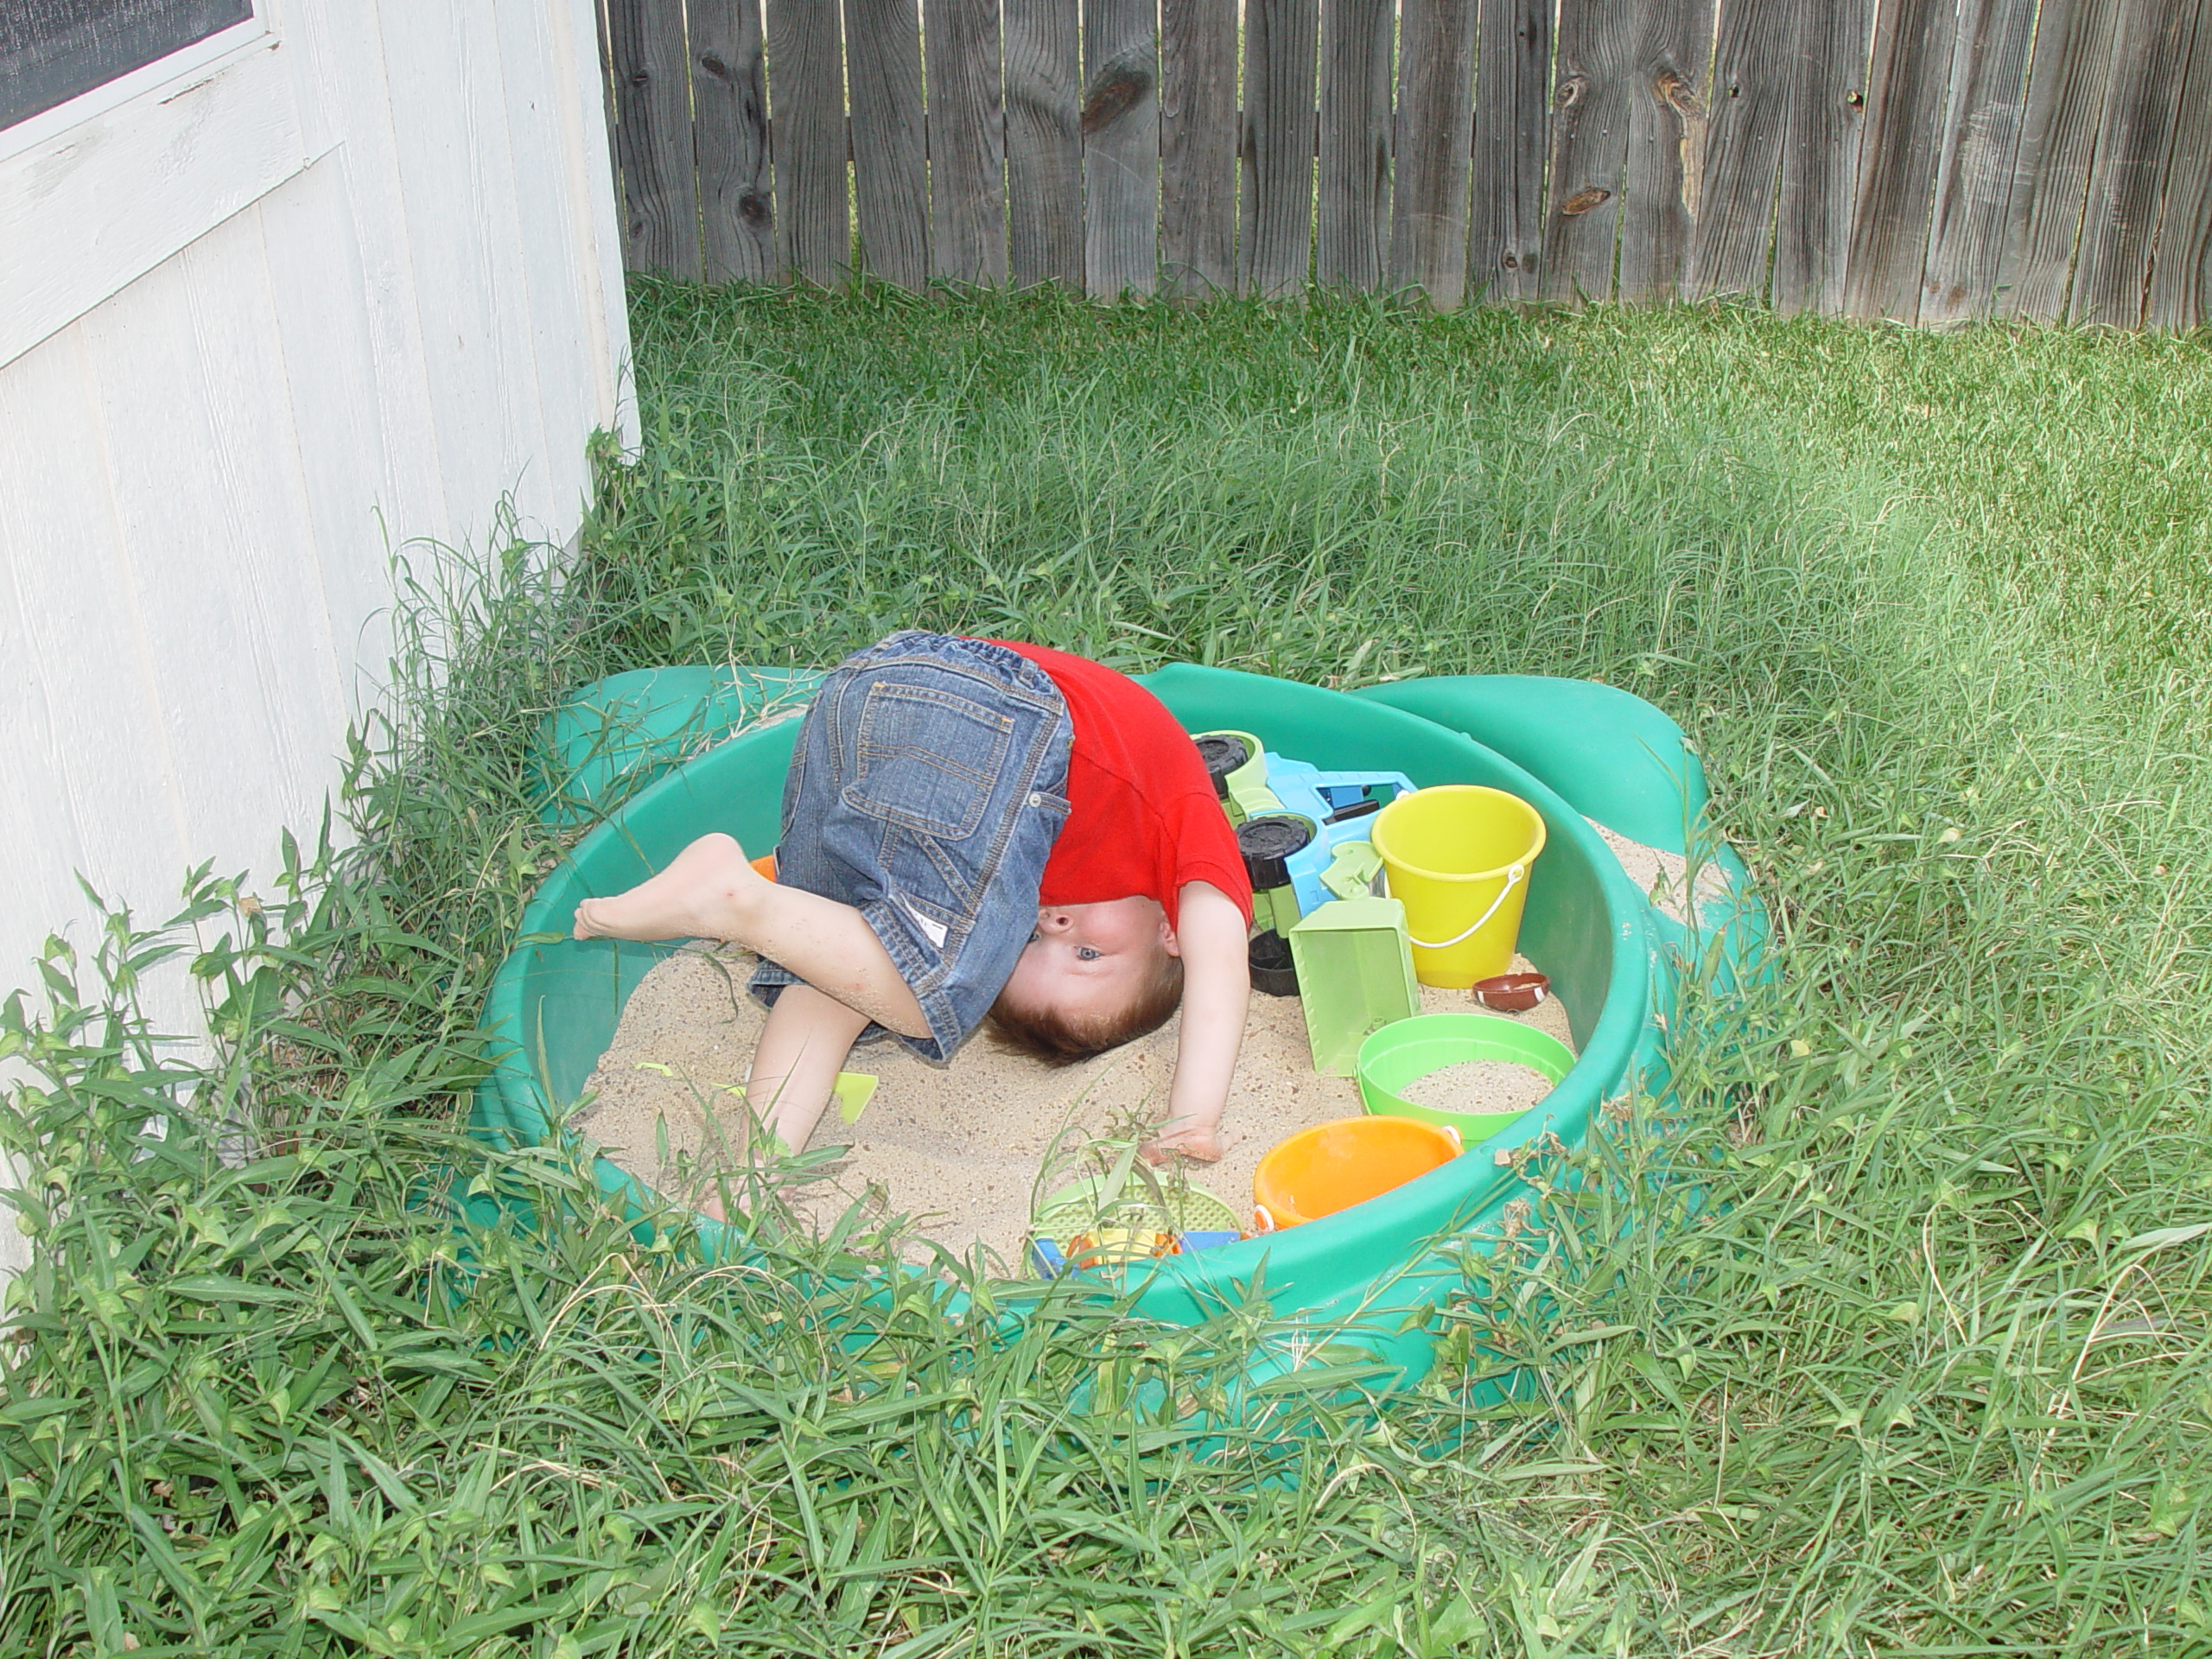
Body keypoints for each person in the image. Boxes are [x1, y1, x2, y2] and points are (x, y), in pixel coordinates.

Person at [571, 631, 1253, 1183]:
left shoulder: (1039, 870)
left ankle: (753, 1168)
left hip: (866, 693)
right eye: (1087, 953)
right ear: (1170, 935)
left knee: (845, 972)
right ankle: (734, 900)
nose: (1052, 923)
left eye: (1025, 945)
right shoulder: (1184, 841)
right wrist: (1193, 1114)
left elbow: (850, 977)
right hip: (997, 713)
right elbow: (1222, 965)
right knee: (934, 991)